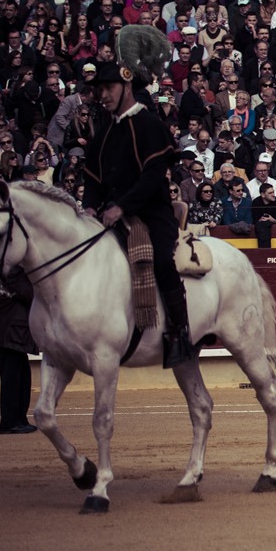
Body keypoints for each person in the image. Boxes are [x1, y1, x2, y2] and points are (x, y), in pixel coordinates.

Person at [80, 54, 194, 367]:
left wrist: (122, 206)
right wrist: (90, 205)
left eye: (108, 87)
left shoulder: (150, 123)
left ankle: (179, 333)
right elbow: (92, 178)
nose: (103, 95)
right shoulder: (104, 130)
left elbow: (153, 176)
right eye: (99, 89)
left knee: (160, 260)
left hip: (152, 213)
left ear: (126, 84)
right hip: (111, 213)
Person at [0, 266, 39, 435]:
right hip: (9, 333)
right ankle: (9, 423)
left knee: (20, 376)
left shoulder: (10, 271)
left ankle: (18, 420)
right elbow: (29, 295)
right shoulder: (13, 272)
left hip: (9, 332)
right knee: (13, 378)